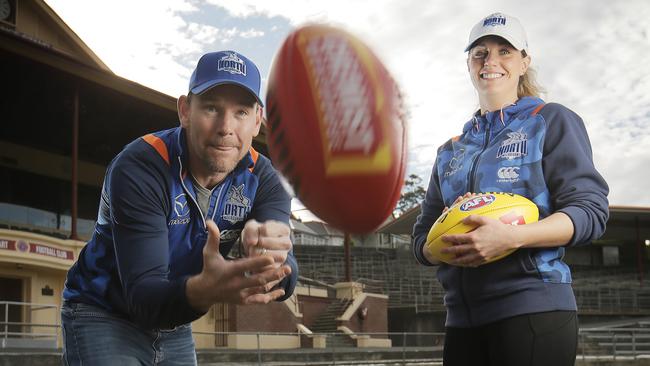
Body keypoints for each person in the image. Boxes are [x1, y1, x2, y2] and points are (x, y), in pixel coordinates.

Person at [61, 50, 298, 365]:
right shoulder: (141, 165)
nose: (225, 127)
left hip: (175, 320)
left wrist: (270, 257)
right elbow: (143, 296)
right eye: (211, 108)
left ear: (257, 121)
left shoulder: (265, 179)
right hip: (103, 311)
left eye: (241, 112)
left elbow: (287, 274)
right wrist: (205, 291)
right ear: (185, 110)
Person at [412, 12, 609, 366]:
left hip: (533, 308)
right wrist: (447, 232)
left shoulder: (550, 121)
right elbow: (420, 242)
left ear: (524, 61)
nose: (491, 61)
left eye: (505, 51)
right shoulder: (451, 150)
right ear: (469, 64)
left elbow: (590, 212)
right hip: (461, 320)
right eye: (480, 53)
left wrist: (512, 237)